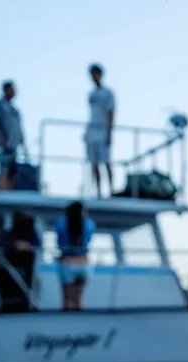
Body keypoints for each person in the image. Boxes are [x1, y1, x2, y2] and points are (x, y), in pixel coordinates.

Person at [0, 211, 40, 312]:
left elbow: (37, 245)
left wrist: (28, 247)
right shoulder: (8, 235)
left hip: (28, 272)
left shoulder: (32, 235)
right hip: (9, 271)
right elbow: (2, 244)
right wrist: (15, 245)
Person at [54, 201, 96, 311]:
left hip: (67, 262)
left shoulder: (62, 223)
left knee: (67, 299)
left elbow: (60, 244)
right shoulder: (89, 224)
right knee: (78, 299)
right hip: (83, 262)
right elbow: (89, 238)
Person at [83, 63, 116, 198]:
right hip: (92, 131)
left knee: (106, 161)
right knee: (94, 163)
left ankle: (111, 190)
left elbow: (110, 112)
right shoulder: (91, 94)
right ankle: (98, 191)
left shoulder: (108, 93)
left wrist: (109, 132)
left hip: (103, 131)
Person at [0, 80, 25, 191]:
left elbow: (19, 127)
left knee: (13, 170)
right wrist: (1, 138)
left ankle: (9, 189)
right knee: (3, 169)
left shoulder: (15, 110)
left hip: (13, 146)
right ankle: (1, 190)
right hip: (3, 145)